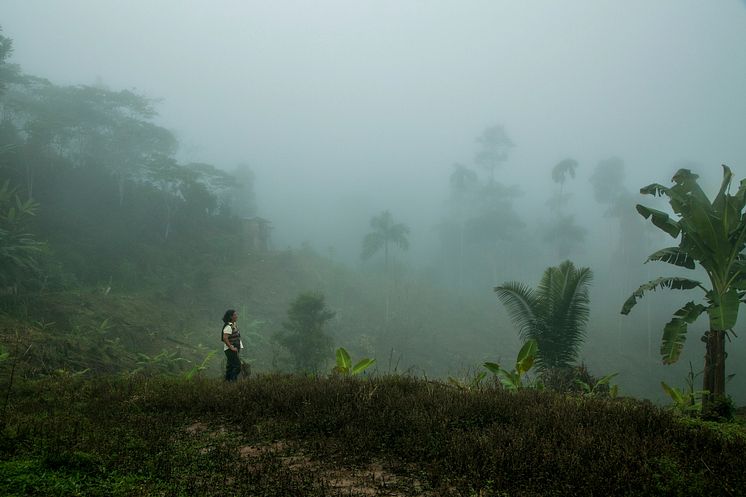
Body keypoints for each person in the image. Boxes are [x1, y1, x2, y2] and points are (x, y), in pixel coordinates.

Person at [221, 309, 243, 381]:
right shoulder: (228, 327)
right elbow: (225, 338)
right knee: (237, 366)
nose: (237, 316)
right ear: (231, 317)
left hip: (233, 349)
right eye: (235, 315)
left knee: (230, 367)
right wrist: (231, 347)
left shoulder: (233, 325)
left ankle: (227, 382)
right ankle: (233, 382)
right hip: (230, 350)